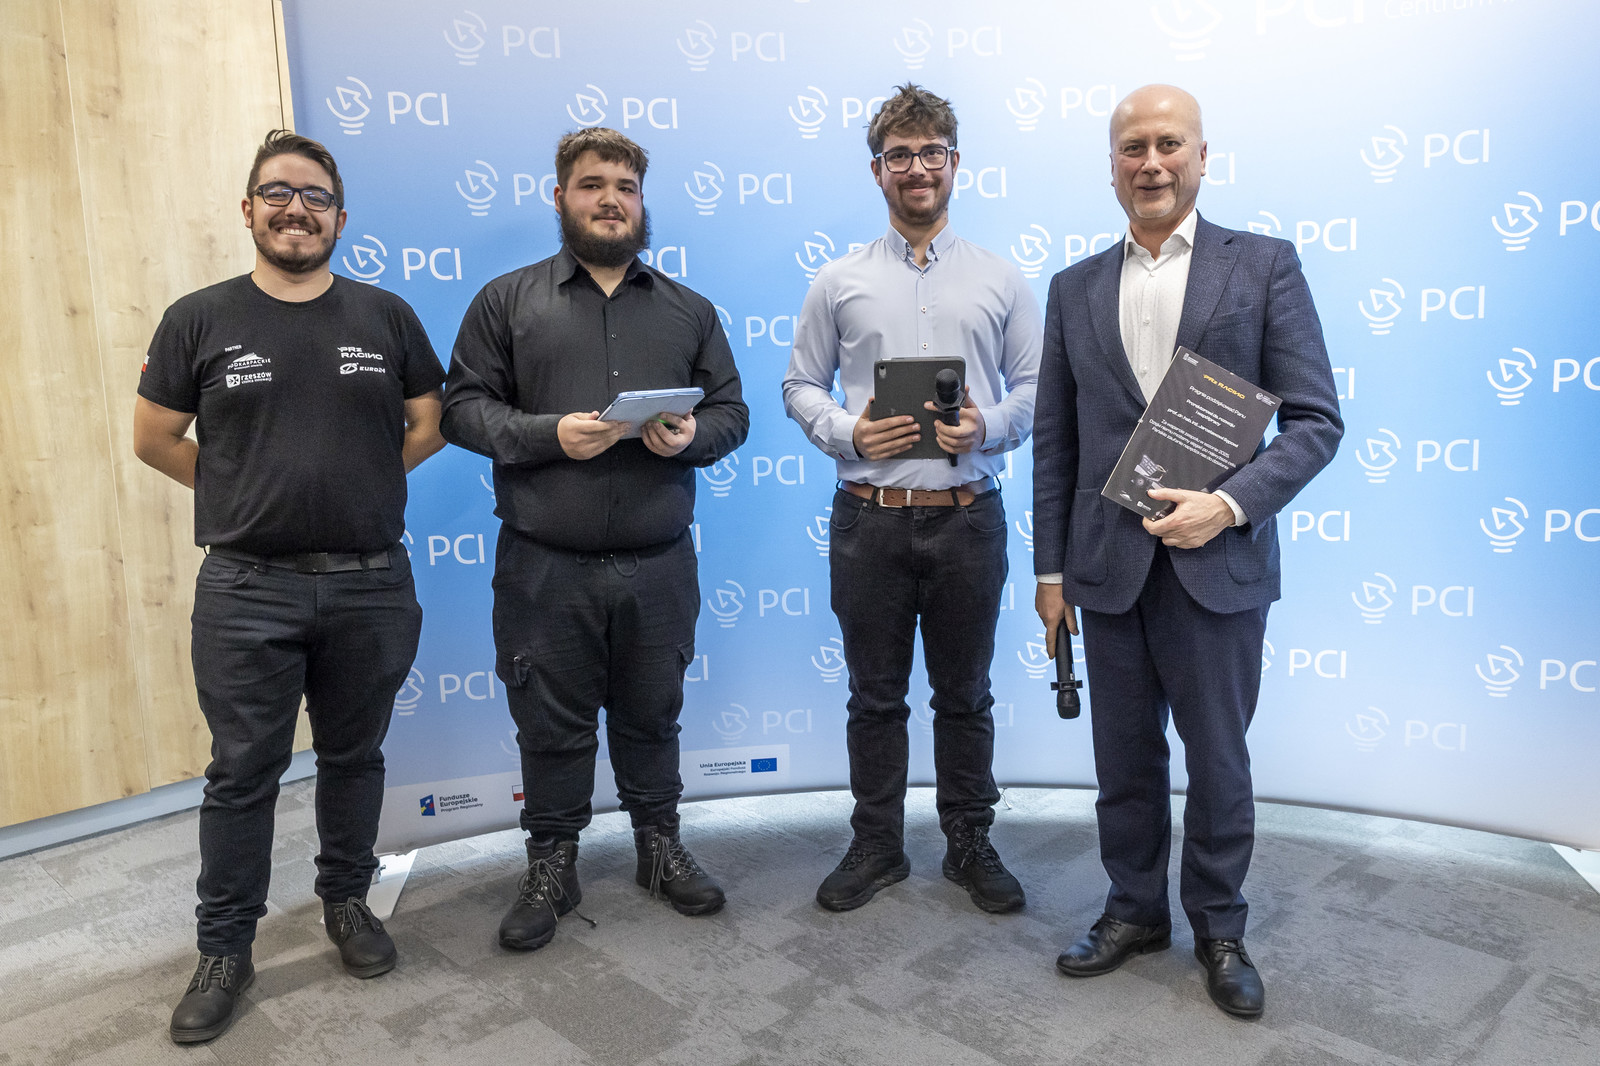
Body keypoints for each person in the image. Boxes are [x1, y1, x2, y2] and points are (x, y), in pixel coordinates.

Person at [1032, 85, 1343, 1018]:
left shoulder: (1265, 266)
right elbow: (1057, 444)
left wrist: (1231, 504)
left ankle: (1219, 926)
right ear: (1112, 166)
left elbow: (1316, 421)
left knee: (1218, 762)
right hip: (1106, 570)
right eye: (1133, 147)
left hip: (1218, 566)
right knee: (1123, 761)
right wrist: (1051, 573)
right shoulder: (1073, 287)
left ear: (1203, 157)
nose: (1152, 163)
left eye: (1170, 144)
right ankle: (1134, 909)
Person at [133, 130, 446, 1043]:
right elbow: (154, 438)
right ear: (248, 210)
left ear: (340, 219)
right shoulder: (198, 318)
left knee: (355, 757)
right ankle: (224, 948)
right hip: (248, 589)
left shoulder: (386, 316)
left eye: (315, 197)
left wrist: (364, 481)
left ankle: (347, 901)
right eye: (277, 193)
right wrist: (240, 492)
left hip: (370, 585)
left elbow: (428, 420)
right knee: (242, 774)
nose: (296, 209)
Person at [441, 128, 748, 952]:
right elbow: (461, 409)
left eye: (625, 187)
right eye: (591, 184)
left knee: (653, 716)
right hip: (544, 567)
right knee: (550, 724)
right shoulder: (506, 301)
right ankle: (552, 863)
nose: (610, 199)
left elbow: (732, 412)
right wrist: (548, 434)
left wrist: (693, 438)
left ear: (641, 203)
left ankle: (659, 847)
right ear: (560, 197)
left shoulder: (689, 309)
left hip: (659, 564)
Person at [783, 84, 1042, 915]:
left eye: (932, 152)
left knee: (966, 696)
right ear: (878, 171)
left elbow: (1037, 390)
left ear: (955, 164)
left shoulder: (1001, 279)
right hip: (871, 520)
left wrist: (987, 425)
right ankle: (877, 844)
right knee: (875, 698)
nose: (917, 168)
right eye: (900, 155)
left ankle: (969, 841)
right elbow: (799, 384)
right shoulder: (839, 280)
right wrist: (849, 432)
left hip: (969, 518)